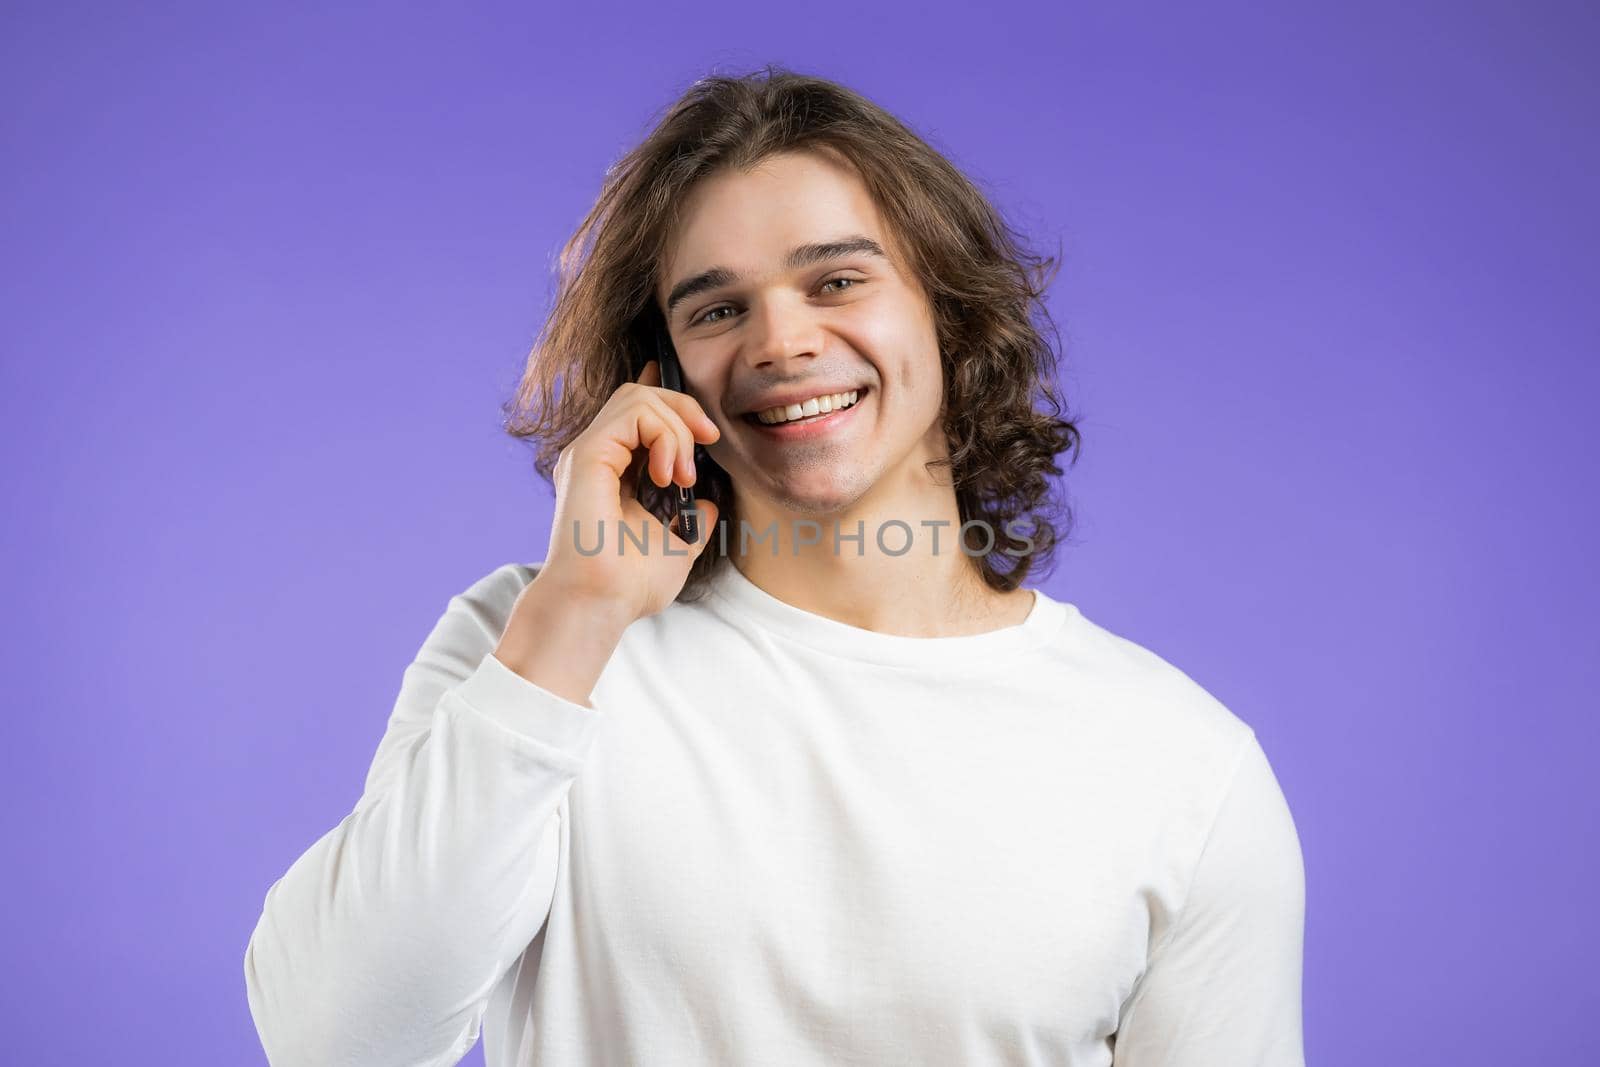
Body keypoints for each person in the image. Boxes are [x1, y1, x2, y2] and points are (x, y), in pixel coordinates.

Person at [244, 66, 1306, 1066]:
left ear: (947, 310)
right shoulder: (531, 641)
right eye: (716, 308)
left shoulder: (1183, 766)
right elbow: (335, 1037)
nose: (780, 341)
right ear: (660, 372)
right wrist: (575, 616)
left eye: (836, 278)